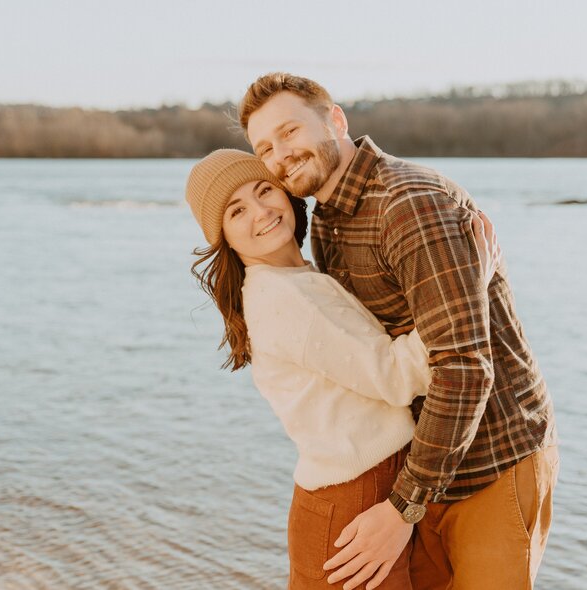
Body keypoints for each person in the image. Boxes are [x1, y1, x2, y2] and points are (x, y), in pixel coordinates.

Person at [238, 73, 559, 590]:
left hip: (492, 458)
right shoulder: (326, 221)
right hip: (425, 468)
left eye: (290, 131)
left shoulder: (408, 204)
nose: (281, 154)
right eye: (265, 148)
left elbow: (464, 368)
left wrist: (400, 506)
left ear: (335, 120)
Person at [185, 149, 500, 589]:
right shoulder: (282, 297)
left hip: (366, 487)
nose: (261, 212)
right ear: (224, 237)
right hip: (353, 497)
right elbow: (395, 377)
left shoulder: (301, 278)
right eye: (237, 211)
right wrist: (466, 288)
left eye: (264, 191)